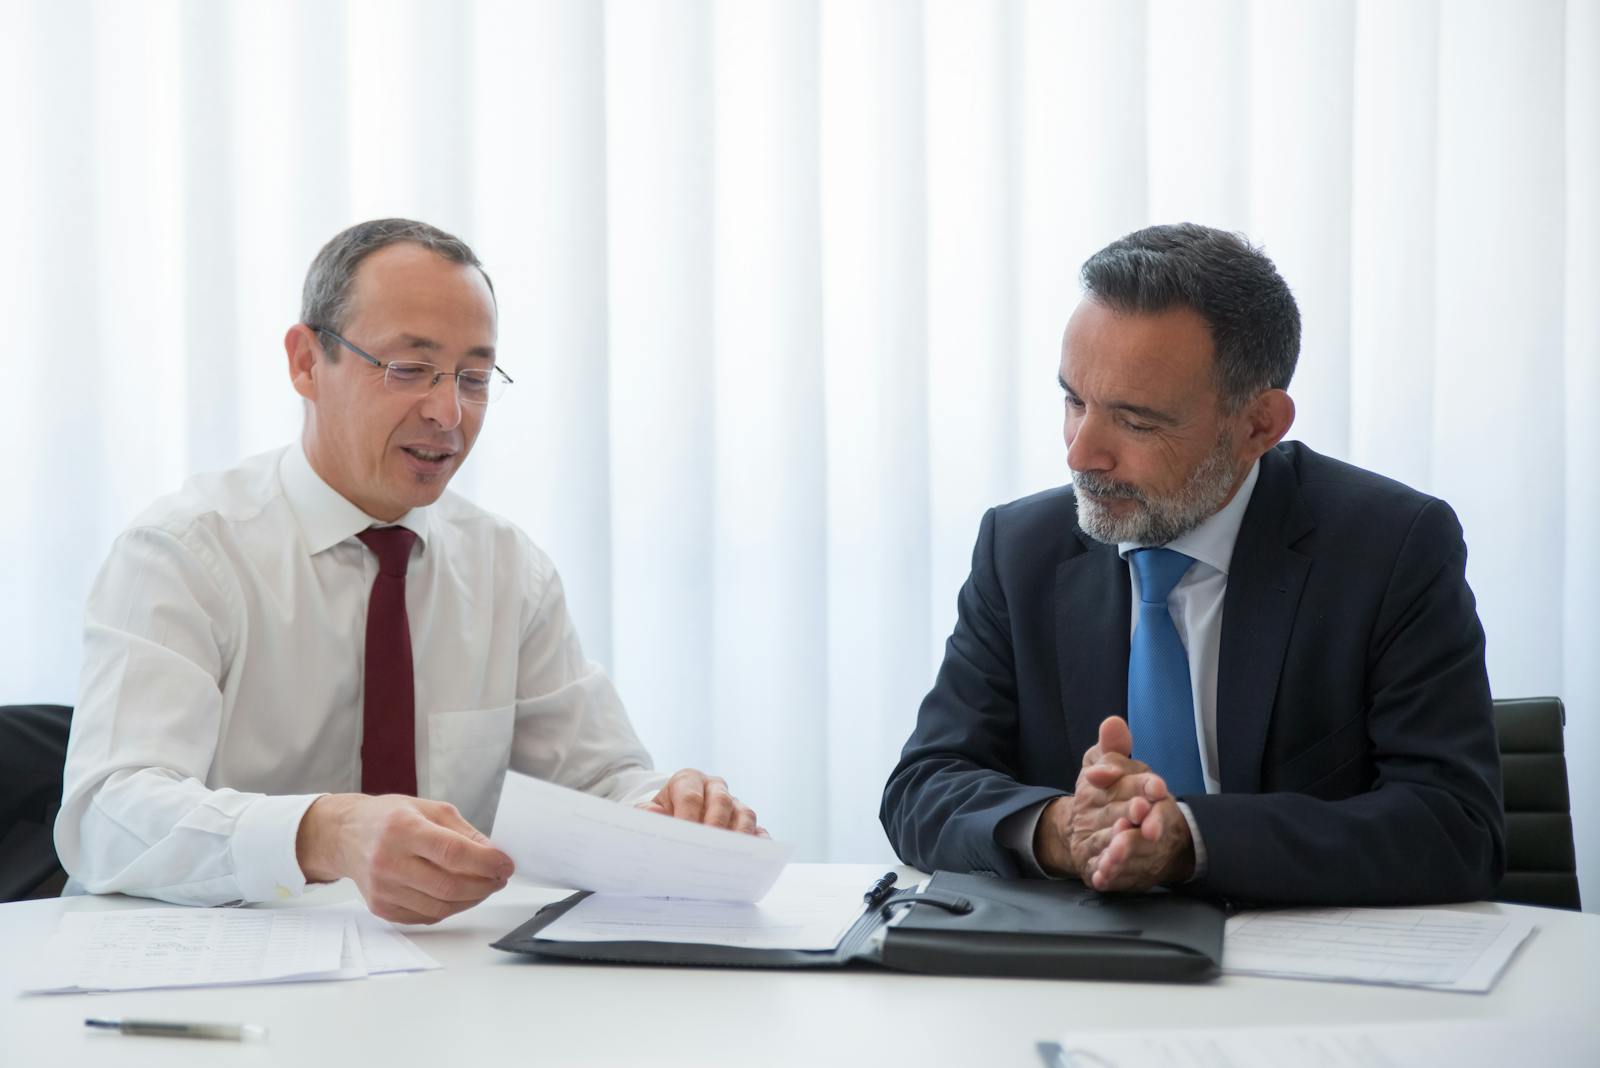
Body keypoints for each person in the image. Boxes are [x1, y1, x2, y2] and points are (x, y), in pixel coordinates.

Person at [57, 219, 761, 924]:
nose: (448, 413)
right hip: (214, 966)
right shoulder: (183, 553)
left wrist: (671, 811)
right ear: (306, 362)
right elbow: (106, 814)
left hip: (443, 973)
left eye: (474, 379)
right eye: (408, 369)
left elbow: (600, 779)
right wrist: (323, 834)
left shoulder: (508, 570)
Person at [880, 223, 1504, 906]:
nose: (1081, 454)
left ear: (1259, 425)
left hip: (1298, 960)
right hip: (1079, 957)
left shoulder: (1390, 547)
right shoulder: (1020, 549)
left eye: (1136, 421)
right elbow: (923, 787)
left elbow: (1454, 827)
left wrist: (1189, 840)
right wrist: (1061, 829)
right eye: (1074, 402)